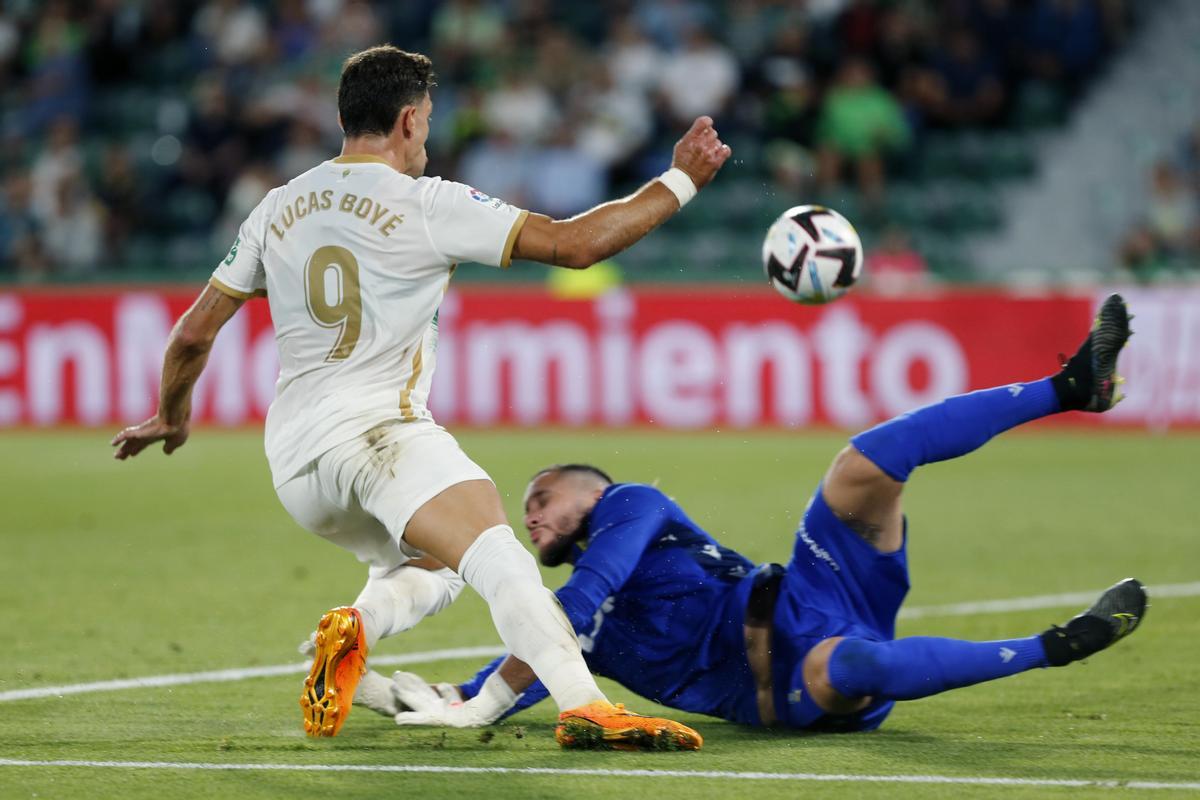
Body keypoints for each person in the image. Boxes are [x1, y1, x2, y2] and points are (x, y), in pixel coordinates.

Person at [110, 44, 731, 750]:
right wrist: (679, 181)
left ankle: (357, 631)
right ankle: (585, 703)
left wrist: (171, 413)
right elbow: (576, 244)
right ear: (408, 120)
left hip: (295, 465)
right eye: (428, 122)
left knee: (436, 563)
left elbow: (193, 333)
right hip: (378, 435)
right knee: (499, 556)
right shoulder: (427, 202)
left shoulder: (276, 209)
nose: (428, 140)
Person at [373, 294, 1146, 735]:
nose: (531, 515)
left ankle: (1069, 389)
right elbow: (532, 666)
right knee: (855, 665)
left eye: (543, 497)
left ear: (592, 491)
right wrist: (447, 696)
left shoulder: (633, 509)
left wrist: (489, 699)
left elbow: (573, 607)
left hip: (815, 590)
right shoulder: (576, 633)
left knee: (862, 466)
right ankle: (1056, 646)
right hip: (789, 681)